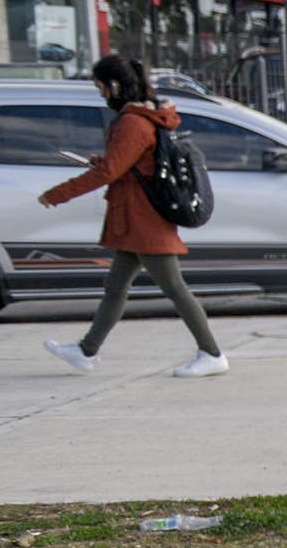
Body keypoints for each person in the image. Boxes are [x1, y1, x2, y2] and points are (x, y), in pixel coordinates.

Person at [38, 54, 226, 377]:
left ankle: (212, 354)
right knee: (115, 287)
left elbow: (111, 171)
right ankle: (86, 350)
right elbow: (127, 165)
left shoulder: (132, 122)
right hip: (132, 218)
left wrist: (58, 194)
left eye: (100, 87)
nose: (100, 94)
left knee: (175, 288)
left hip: (143, 219)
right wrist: (105, 162)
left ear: (114, 86)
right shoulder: (140, 118)